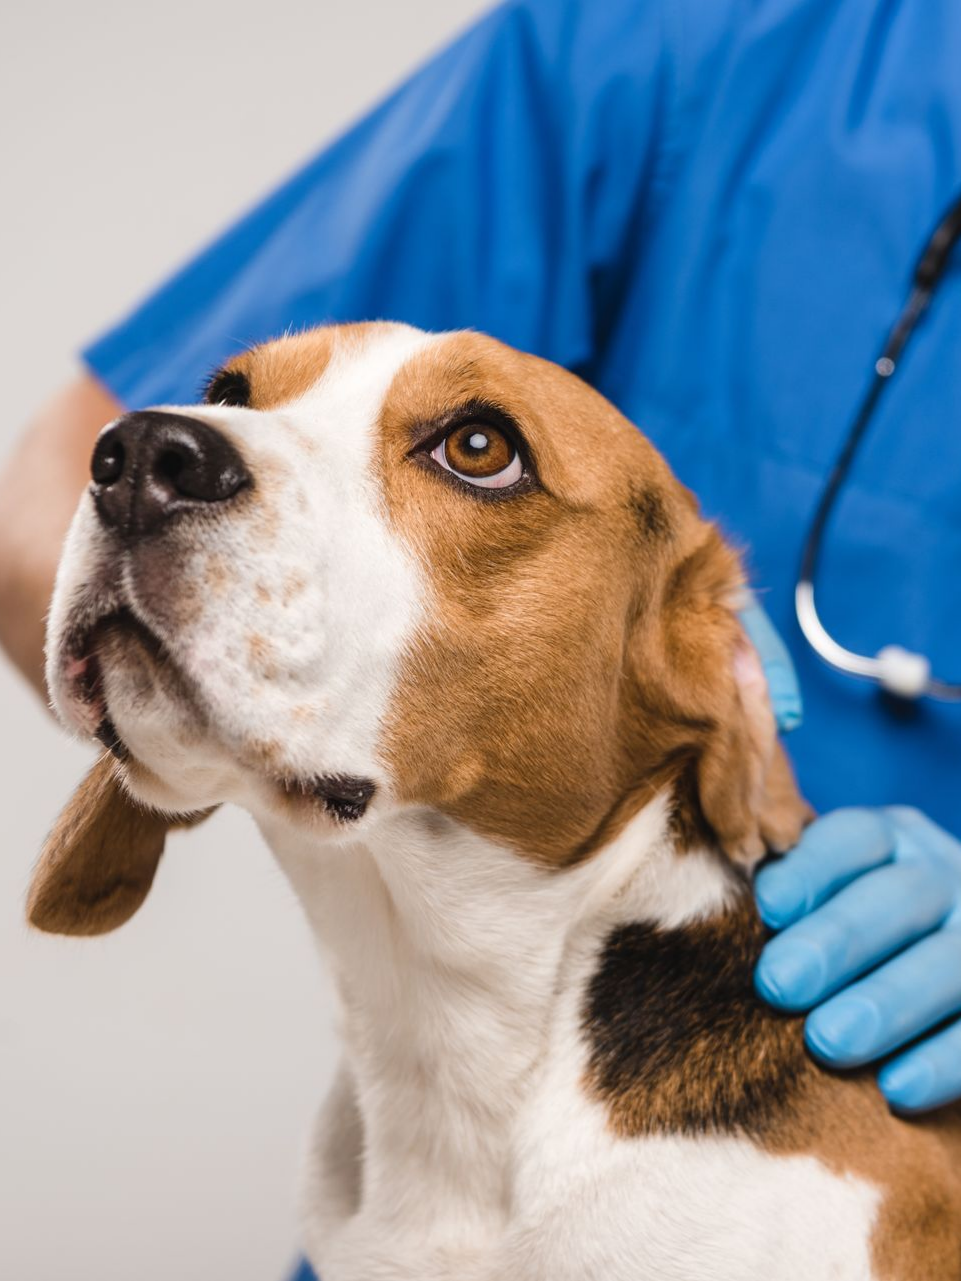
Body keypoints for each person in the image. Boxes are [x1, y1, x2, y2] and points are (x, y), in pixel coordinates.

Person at [1, 2, 959, 1271]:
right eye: (238, 397)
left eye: (473, 449)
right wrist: (217, 708)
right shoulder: (685, 39)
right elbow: (47, 495)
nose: (170, 456)